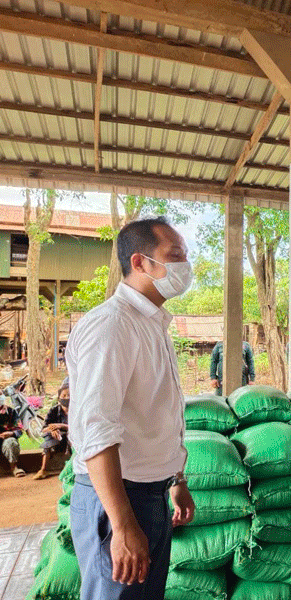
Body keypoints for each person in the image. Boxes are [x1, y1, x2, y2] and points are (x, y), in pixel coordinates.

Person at [65, 216, 195, 600]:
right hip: (118, 501)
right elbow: (95, 429)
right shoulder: (112, 325)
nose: (185, 266)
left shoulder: (152, 324)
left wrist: (176, 480)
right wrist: (122, 524)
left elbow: (156, 415)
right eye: (175, 255)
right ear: (140, 262)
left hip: (150, 495)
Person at [33, 379, 71, 480]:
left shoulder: (77, 410)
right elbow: (44, 429)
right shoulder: (54, 410)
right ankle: (43, 470)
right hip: (58, 440)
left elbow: (80, 428)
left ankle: (73, 469)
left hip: (71, 439)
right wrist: (53, 430)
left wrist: (61, 426)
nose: (67, 398)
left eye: (69, 395)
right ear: (59, 398)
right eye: (64, 395)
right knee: (48, 440)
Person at [0, 400, 24, 477]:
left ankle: (14, 468)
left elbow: (19, 430)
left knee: (11, 442)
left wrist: (12, 433)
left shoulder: (11, 412)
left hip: (6, 440)